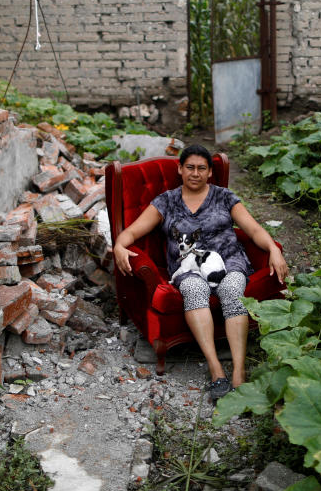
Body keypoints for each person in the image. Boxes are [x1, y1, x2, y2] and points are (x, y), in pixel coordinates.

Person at [113, 144, 289, 399]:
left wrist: (273, 248)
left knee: (232, 290)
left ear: (209, 173)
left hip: (229, 261)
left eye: (201, 168)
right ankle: (216, 370)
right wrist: (119, 244)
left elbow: (254, 230)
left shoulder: (224, 196)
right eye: (190, 167)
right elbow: (132, 231)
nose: (195, 173)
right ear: (180, 169)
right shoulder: (167, 201)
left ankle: (239, 372)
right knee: (194, 290)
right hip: (188, 268)